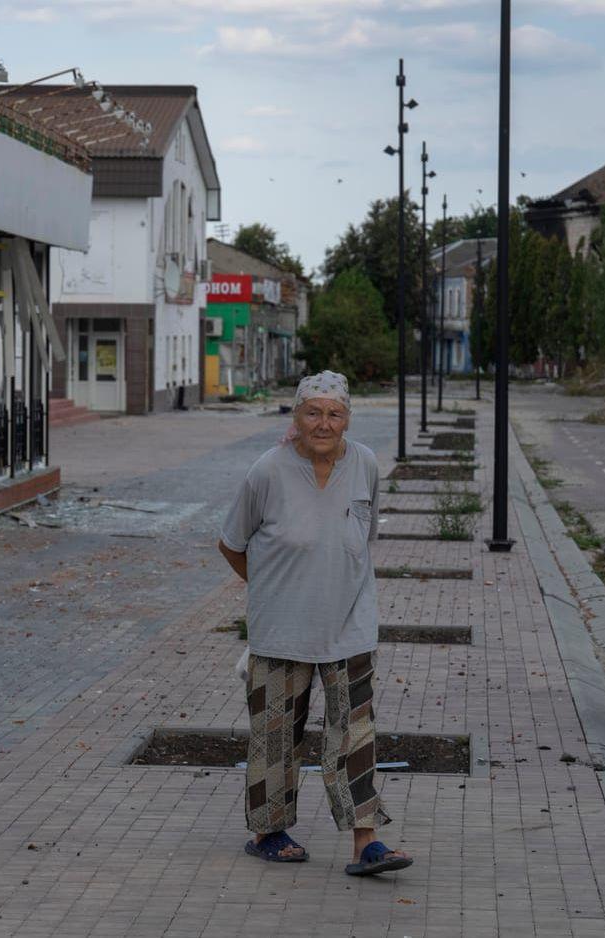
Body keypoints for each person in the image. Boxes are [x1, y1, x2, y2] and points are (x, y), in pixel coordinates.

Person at [218, 370, 414, 876]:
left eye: (334, 413)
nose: (323, 423)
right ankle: (269, 831)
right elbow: (231, 544)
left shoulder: (365, 463)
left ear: (347, 419)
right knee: (276, 734)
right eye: (313, 413)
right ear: (296, 416)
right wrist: (271, 589)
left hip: (350, 624)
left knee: (355, 733)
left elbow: (362, 539)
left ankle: (366, 841)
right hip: (281, 629)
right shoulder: (267, 471)